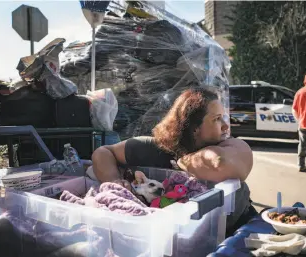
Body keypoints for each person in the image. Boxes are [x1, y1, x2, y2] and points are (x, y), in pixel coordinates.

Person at [92, 87, 255, 235]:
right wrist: (114, 181)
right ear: (194, 128)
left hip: (240, 232)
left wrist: (184, 162)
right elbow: (103, 152)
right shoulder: (155, 148)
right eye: (217, 119)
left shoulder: (232, 145)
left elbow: (220, 164)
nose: (226, 126)